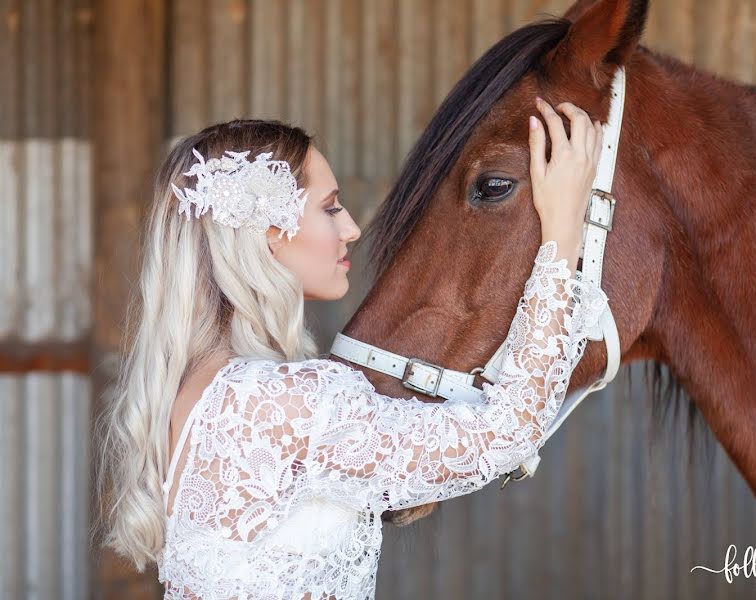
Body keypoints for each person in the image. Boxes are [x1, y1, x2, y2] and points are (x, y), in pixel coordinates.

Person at [95, 97, 609, 599]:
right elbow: (508, 433)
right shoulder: (290, 401)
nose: (351, 229)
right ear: (270, 232)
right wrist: (561, 228)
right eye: (330, 207)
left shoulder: (189, 395)